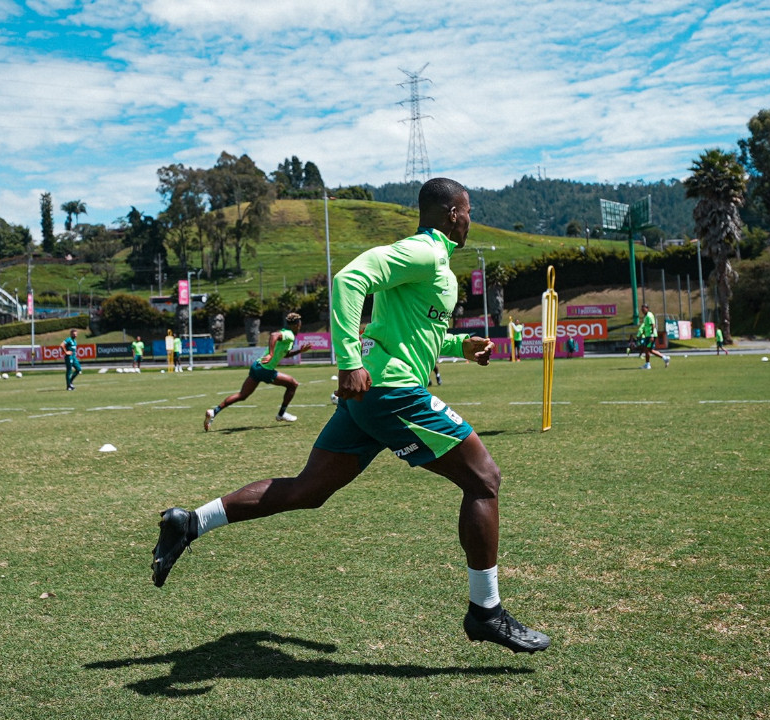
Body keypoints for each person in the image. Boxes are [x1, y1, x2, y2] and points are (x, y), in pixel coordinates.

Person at [155, 178, 549, 654]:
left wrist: (459, 345)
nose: (470, 219)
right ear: (451, 213)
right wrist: (348, 360)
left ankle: (190, 522)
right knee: (484, 478)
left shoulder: (435, 265)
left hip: (374, 395)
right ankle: (486, 613)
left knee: (308, 489)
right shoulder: (424, 252)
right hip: (391, 392)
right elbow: (350, 279)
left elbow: (405, 334)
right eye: (468, 210)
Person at [204, 312, 312, 429]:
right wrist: (271, 354)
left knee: (242, 395)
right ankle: (281, 414)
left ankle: (214, 412)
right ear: (296, 325)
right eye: (300, 325)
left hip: (257, 366)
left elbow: (284, 354)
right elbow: (273, 335)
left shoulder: (288, 337)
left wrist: (299, 351)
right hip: (265, 369)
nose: (300, 327)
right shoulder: (289, 334)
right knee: (293, 384)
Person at [636, 303, 668, 369]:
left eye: (644, 309)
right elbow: (646, 326)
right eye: (642, 309)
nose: (642, 310)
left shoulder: (649, 316)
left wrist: (652, 335)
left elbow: (653, 325)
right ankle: (665, 358)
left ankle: (648, 364)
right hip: (648, 335)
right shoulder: (646, 316)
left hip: (650, 335)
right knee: (649, 350)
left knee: (646, 349)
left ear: (647, 308)